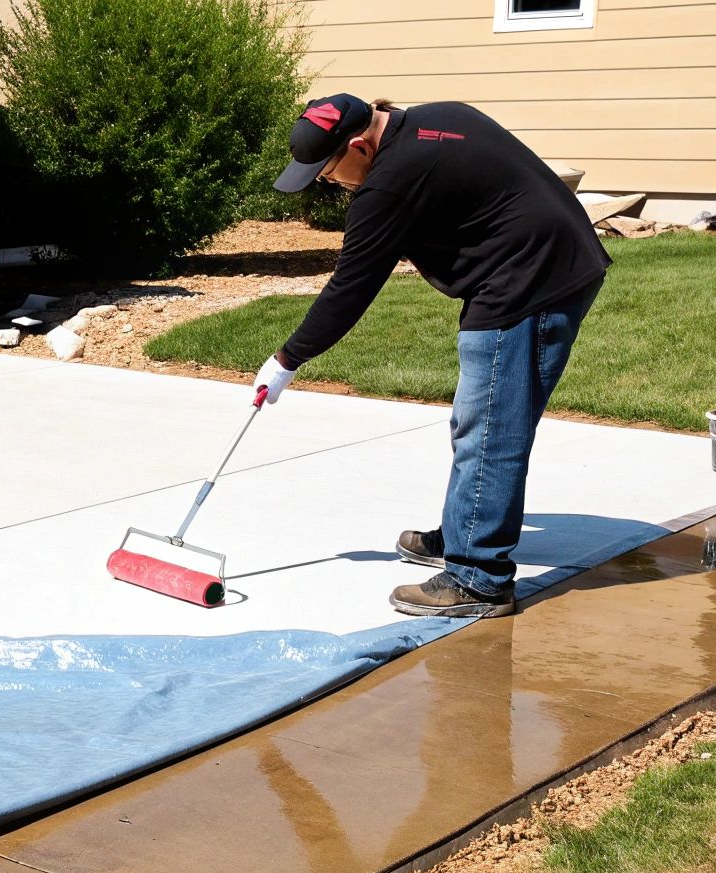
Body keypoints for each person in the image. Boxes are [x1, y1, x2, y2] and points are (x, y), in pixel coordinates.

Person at [258, 93, 609, 618]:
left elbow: (350, 288)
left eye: (328, 173)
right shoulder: (436, 117)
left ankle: (479, 578)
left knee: (491, 429)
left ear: (358, 145)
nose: (329, 183)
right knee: (483, 420)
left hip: (529, 279)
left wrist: (286, 360)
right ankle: (468, 528)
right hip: (547, 260)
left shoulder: (391, 181)